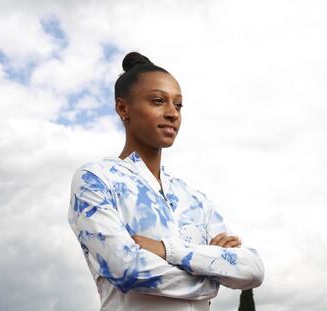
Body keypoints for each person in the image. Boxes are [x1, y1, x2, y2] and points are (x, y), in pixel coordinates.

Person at [67, 51, 264, 311]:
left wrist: (167, 250)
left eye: (178, 105)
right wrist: (211, 274)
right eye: (158, 101)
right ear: (123, 108)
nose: (173, 113)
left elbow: (252, 270)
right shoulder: (96, 180)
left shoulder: (194, 199)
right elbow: (127, 268)